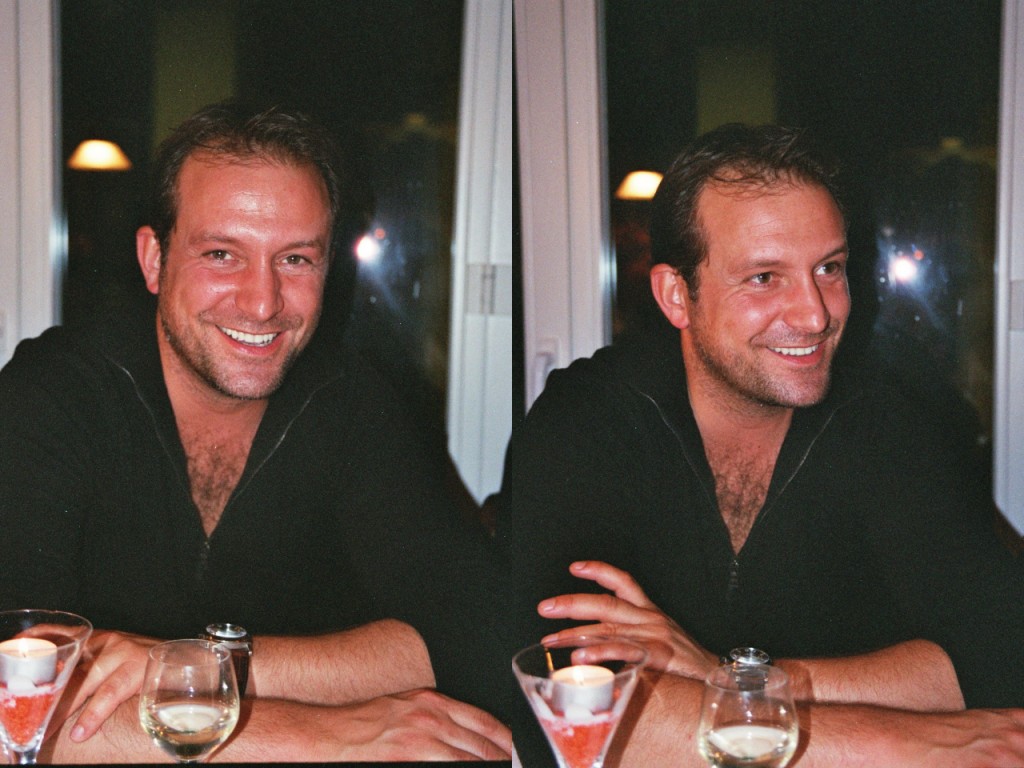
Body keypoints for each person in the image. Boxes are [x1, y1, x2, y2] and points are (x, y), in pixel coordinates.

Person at [0, 101, 512, 762]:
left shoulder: (354, 405)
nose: (263, 302)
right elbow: (19, 707)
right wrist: (324, 733)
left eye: (295, 260)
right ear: (154, 259)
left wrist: (203, 666)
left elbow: (482, 635)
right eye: (222, 254)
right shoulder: (54, 396)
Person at [498, 123, 1024, 766]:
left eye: (829, 268)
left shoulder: (892, 423)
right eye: (764, 277)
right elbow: (566, 715)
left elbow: (1000, 655)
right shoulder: (588, 422)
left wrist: (736, 679)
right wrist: (897, 738)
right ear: (676, 296)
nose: (816, 315)